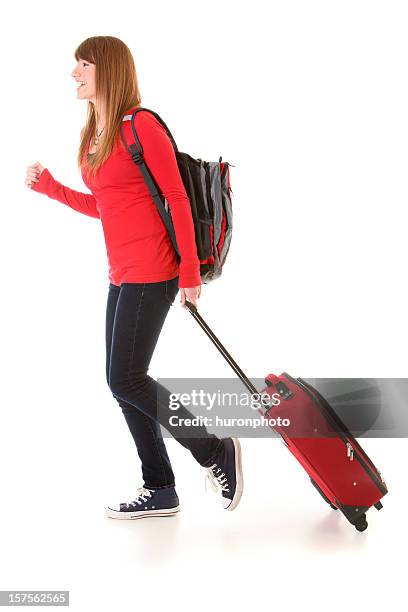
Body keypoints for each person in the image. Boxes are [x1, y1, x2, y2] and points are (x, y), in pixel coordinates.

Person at [25, 36, 243, 520]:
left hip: (156, 270)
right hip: (122, 273)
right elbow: (106, 206)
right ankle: (160, 488)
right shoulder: (94, 132)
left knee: (125, 378)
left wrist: (190, 270)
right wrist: (52, 189)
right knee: (121, 380)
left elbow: (177, 197)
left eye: (83, 64)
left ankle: (212, 450)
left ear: (108, 68)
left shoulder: (140, 125)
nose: (74, 72)